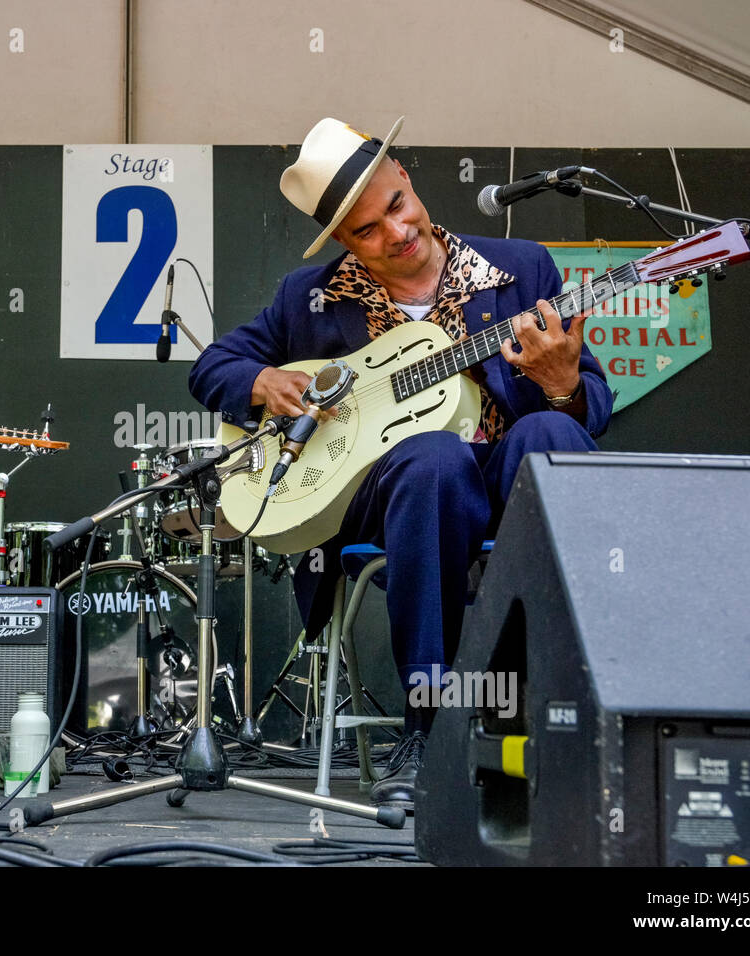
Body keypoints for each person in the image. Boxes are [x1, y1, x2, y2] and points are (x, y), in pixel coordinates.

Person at [189, 117, 612, 810]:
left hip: (511, 484)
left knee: (550, 436)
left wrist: (562, 385)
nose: (396, 232)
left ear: (407, 181)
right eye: (367, 230)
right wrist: (263, 384)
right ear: (345, 242)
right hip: (394, 503)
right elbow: (214, 366)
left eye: (395, 206)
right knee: (435, 459)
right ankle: (432, 729)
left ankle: (570, 718)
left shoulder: (521, 269)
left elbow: (590, 406)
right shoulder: (310, 297)